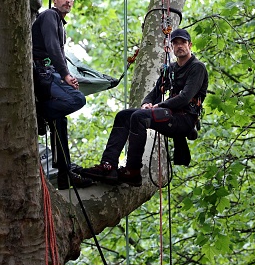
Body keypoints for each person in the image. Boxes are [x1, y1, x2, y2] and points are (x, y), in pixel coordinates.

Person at [82, 28, 208, 186]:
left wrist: (157, 106)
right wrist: (146, 103)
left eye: (183, 42)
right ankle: (108, 165)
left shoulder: (197, 67)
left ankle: (133, 171)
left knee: (139, 117)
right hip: (169, 114)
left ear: (190, 45)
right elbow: (155, 92)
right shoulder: (171, 69)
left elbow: (185, 98)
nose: (179, 46)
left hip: (184, 119)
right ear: (172, 46)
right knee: (123, 115)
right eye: (175, 43)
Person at [32, 0, 93, 189]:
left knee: (60, 119)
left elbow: (56, 50)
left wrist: (66, 74)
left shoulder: (59, 23)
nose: (68, 1)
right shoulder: (50, 15)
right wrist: (66, 75)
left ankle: (64, 173)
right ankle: (40, 113)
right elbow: (51, 47)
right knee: (77, 99)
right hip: (41, 74)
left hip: (48, 74)